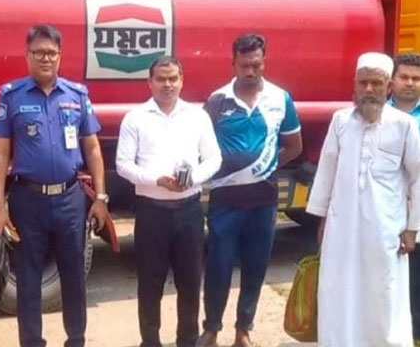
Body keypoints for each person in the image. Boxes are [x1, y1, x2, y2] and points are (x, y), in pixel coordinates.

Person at [0, 24, 109, 347]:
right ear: (27, 56)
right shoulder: (11, 95)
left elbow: (93, 149)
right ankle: (32, 342)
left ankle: (76, 339)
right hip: (28, 200)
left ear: (60, 56)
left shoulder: (77, 95)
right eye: (39, 52)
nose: (46, 58)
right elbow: (0, 154)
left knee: (74, 276)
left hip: (70, 199)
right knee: (28, 278)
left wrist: (101, 197)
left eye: (51, 53)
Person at [307, 52, 420, 347]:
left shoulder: (404, 125)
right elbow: (327, 170)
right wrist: (321, 218)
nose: (369, 89)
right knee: (337, 289)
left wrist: (413, 228)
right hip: (341, 228)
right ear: (354, 85)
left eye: (376, 83)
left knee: (383, 292)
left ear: (388, 87)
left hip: (386, 230)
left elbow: (418, 177)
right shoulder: (340, 121)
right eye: (363, 83)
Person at [198, 34, 302, 347]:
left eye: (256, 64)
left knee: (255, 267)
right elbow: (201, 145)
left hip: (263, 201)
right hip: (224, 202)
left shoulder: (280, 98)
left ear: (264, 62)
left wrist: (266, 166)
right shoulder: (217, 100)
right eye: (244, 65)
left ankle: (243, 330)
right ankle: (211, 329)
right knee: (218, 267)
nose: (250, 71)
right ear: (233, 64)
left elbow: (294, 146)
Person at [116, 56, 222, 347]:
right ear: (149, 82)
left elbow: (214, 158)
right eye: (161, 79)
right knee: (150, 285)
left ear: (181, 80)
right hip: (151, 214)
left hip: (189, 212)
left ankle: (186, 341)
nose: (167, 85)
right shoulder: (135, 118)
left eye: (173, 78)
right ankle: (150, 341)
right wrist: (156, 180)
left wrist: (194, 178)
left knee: (190, 284)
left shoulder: (197, 117)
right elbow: (123, 164)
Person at [390, 53, 420, 347]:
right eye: (404, 77)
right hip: (389, 213)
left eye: (416, 78)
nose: (410, 83)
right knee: (395, 284)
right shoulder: (376, 115)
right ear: (392, 81)